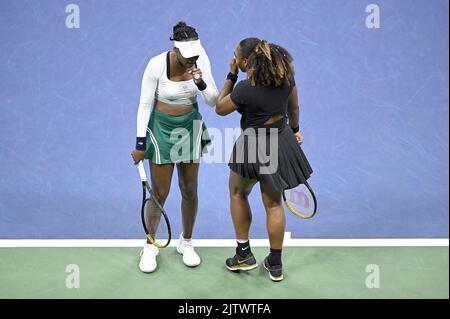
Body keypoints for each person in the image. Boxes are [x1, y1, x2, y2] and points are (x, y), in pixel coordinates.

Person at [215, 38, 313, 281]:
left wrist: (231, 74)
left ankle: (243, 255)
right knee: (274, 204)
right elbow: (295, 109)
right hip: (280, 142)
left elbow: (220, 107)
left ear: (246, 62)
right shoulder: (286, 79)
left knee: (238, 193)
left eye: (236, 56)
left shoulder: (245, 88)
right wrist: (296, 129)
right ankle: (276, 264)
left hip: (252, 145)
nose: (234, 59)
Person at [131, 21, 218, 273]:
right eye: (187, 55)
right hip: (161, 130)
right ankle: (151, 245)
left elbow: (212, 101)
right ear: (175, 49)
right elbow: (145, 105)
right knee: (159, 192)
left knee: (189, 189)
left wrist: (200, 83)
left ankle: (186, 242)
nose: (192, 59)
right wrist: (140, 143)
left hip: (189, 127)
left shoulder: (201, 61)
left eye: (195, 54)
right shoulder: (156, 65)